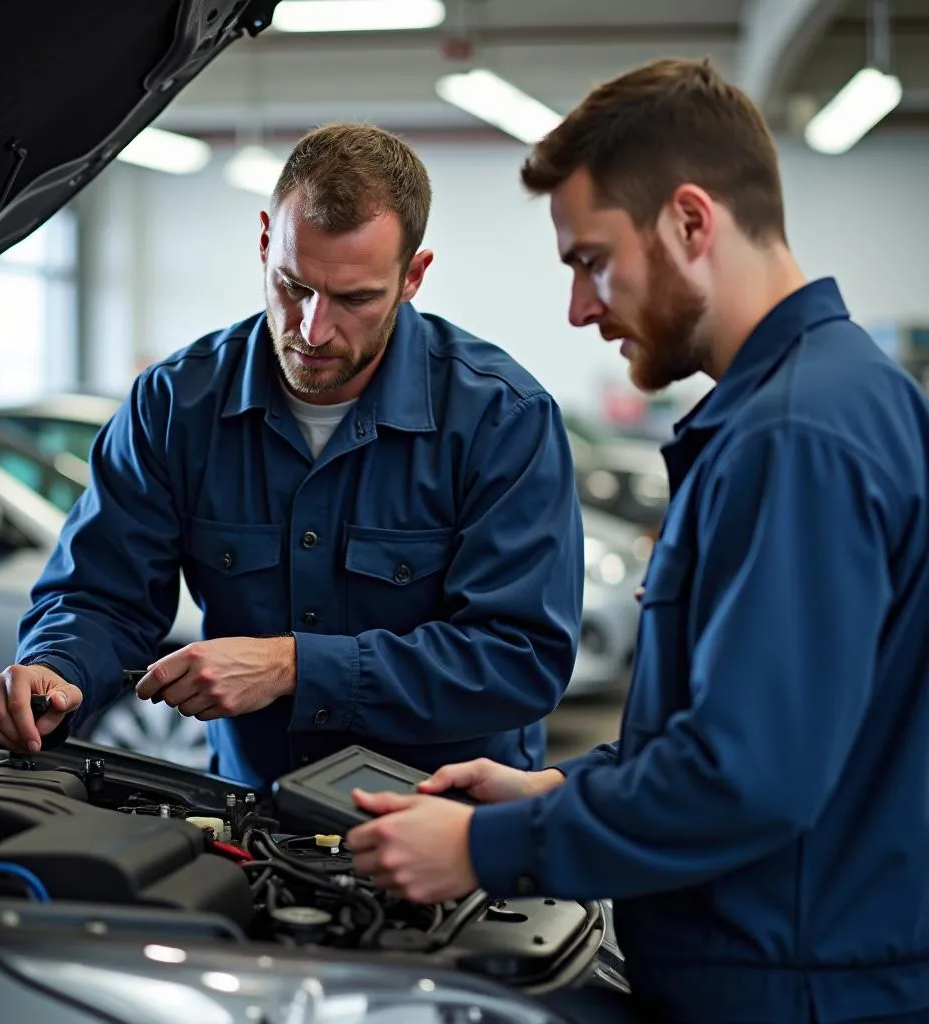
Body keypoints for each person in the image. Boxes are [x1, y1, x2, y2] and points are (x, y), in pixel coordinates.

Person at [344, 59, 929, 1024]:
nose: (581, 306)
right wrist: (551, 789)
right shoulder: (828, 400)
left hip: (793, 988)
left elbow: (748, 776)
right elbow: (728, 726)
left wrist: (483, 851)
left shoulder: (795, 435)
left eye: (591, 259)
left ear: (690, 222)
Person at [0, 123, 585, 789]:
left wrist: (292, 667)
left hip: (451, 827)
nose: (313, 329)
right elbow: (100, 594)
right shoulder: (175, 404)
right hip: (255, 816)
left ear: (412, 277)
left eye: (354, 298)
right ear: (265, 241)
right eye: (293, 285)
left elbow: (520, 660)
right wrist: (57, 669)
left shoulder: (501, 419)